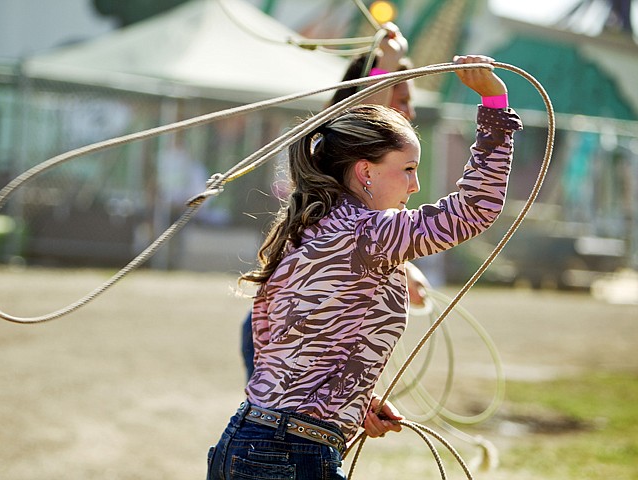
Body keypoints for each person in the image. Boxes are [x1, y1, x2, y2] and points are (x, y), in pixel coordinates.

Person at [207, 54, 522, 479]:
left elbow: (289, 350)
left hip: (248, 444)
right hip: (289, 454)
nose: (415, 185)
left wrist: (353, 403)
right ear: (365, 172)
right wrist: (495, 103)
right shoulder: (368, 233)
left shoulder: (309, 226)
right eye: (408, 169)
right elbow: (472, 210)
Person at [240, 23, 428, 380]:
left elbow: (362, 237)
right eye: (401, 100)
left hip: (299, 326)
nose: (410, 112)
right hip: (293, 328)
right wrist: (385, 65)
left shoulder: (369, 181)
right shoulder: (341, 158)